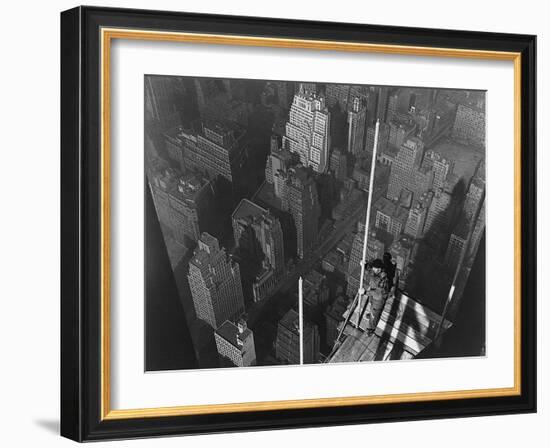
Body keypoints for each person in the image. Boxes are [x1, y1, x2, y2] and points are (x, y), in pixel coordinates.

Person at [365, 258, 390, 334]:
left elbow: (378, 293)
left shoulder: (383, 278)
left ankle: (371, 329)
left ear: (379, 269)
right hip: (373, 296)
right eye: (373, 268)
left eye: (375, 269)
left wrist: (365, 292)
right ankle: (372, 316)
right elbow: (369, 269)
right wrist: (364, 264)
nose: (373, 270)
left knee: (374, 313)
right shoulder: (374, 271)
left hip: (379, 299)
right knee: (371, 305)